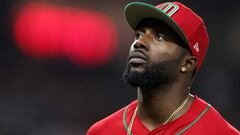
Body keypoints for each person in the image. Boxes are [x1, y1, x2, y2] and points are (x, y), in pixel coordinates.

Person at [86, 2, 240, 135]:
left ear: (187, 63)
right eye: (138, 35)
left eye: (159, 37)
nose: (139, 43)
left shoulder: (218, 131)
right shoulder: (102, 131)